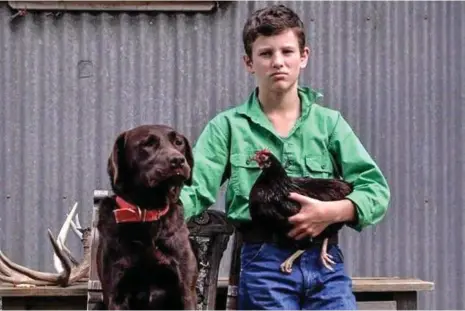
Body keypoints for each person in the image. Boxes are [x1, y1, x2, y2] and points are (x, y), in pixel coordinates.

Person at [179, 4, 390, 310]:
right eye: (266, 54)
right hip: (264, 261)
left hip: (325, 260)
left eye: (287, 52)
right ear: (249, 62)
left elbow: (376, 191)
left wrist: (333, 212)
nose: (278, 62)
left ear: (304, 56)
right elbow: (194, 190)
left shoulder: (329, 125)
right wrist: (150, 219)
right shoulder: (227, 127)